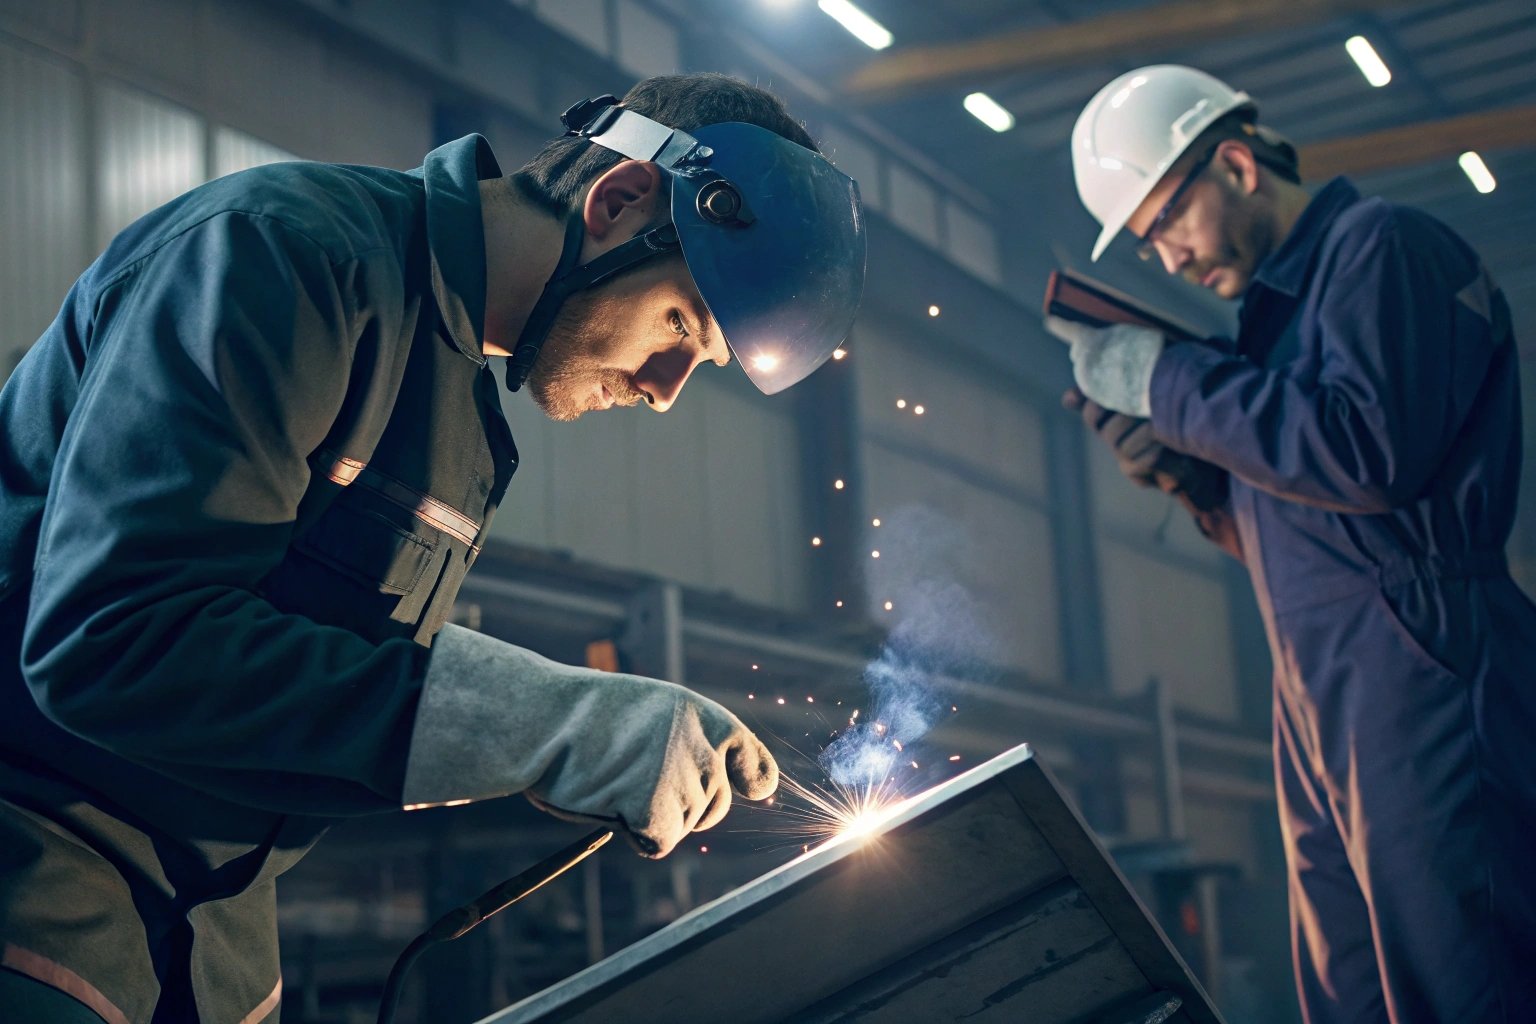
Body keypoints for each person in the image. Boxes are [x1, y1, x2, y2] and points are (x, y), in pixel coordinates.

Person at [0, 72, 865, 1023]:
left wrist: (566, 733)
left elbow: (332, 690)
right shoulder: (289, 256)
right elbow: (113, 640)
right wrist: (550, 723)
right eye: (677, 326)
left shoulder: (462, 423)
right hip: (37, 855)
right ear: (617, 202)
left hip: (215, 932)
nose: (664, 389)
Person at [1051, 64, 1536, 1023]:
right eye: (1148, 245)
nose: (1171, 262)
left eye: (1169, 223)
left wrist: (1175, 386)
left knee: (1463, 975)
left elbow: (1368, 451)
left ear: (1234, 163)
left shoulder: (1383, 250)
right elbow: (1315, 534)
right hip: (1322, 684)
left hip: (1424, 662)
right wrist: (1193, 476)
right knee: (1350, 987)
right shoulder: (1275, 330)